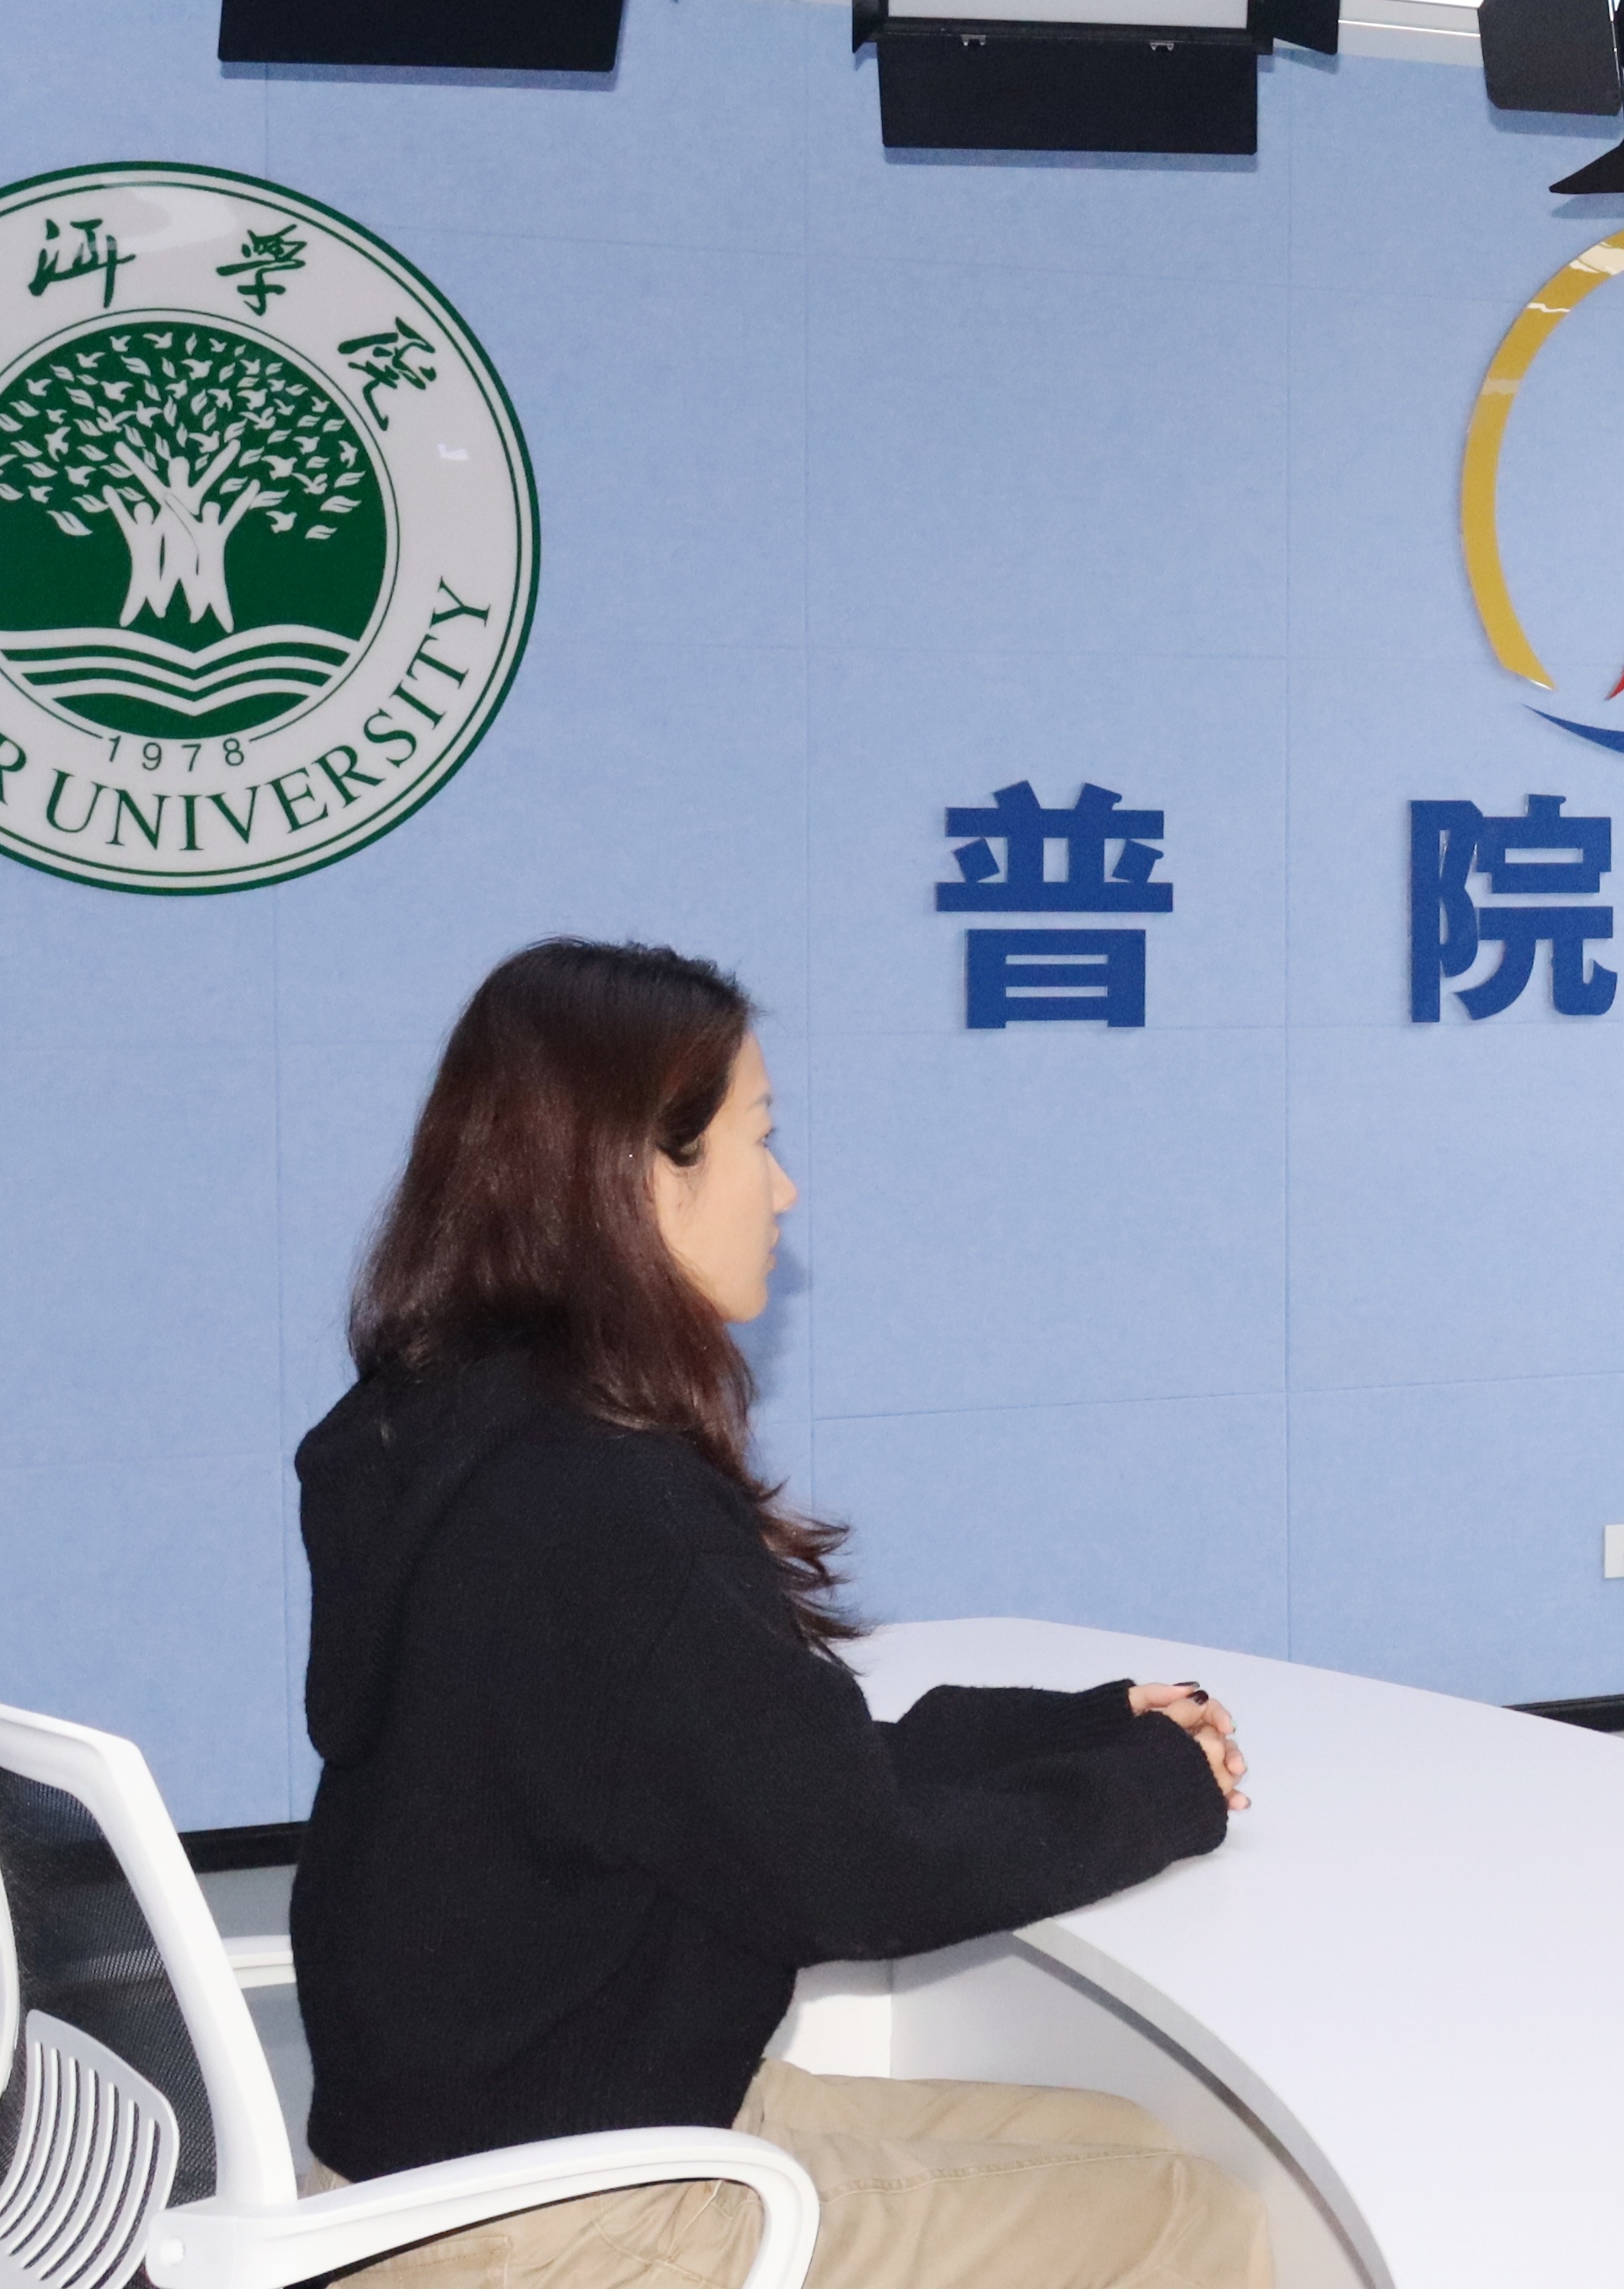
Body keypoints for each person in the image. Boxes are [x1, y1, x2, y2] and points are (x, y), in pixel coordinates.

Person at [291, 939, 1269, 2289]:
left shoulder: (447, 1428)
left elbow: (761, 1763)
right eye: (759, 1136)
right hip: (558, 2218)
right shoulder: (602, 1501)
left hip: (462, 2155)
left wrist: (1089, 1727)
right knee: (1188, 2212)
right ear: (647, 1173)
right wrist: (1163, 1793)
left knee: (1126, 2142)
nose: (785, 1186)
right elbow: (862, 1875)